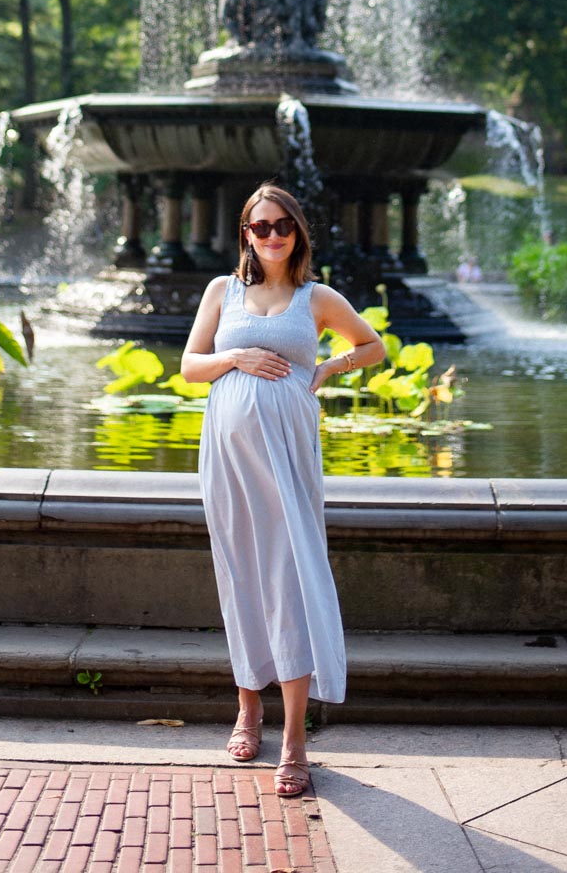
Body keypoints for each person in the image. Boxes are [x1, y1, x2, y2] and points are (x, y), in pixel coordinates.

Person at [181, 183, 385, 796]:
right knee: (240, 570)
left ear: (297, 232)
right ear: (246, 232)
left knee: (290, 577)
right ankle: (249, 707)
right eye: (260, 227)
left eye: (283, 227)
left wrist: (326, 368)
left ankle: (295, 739)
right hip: (228, 453)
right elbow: (190, 366)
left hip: (289, 456)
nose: (272, 236)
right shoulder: (223, 291)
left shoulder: (315, 297)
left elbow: (370, 346)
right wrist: (236, 356)